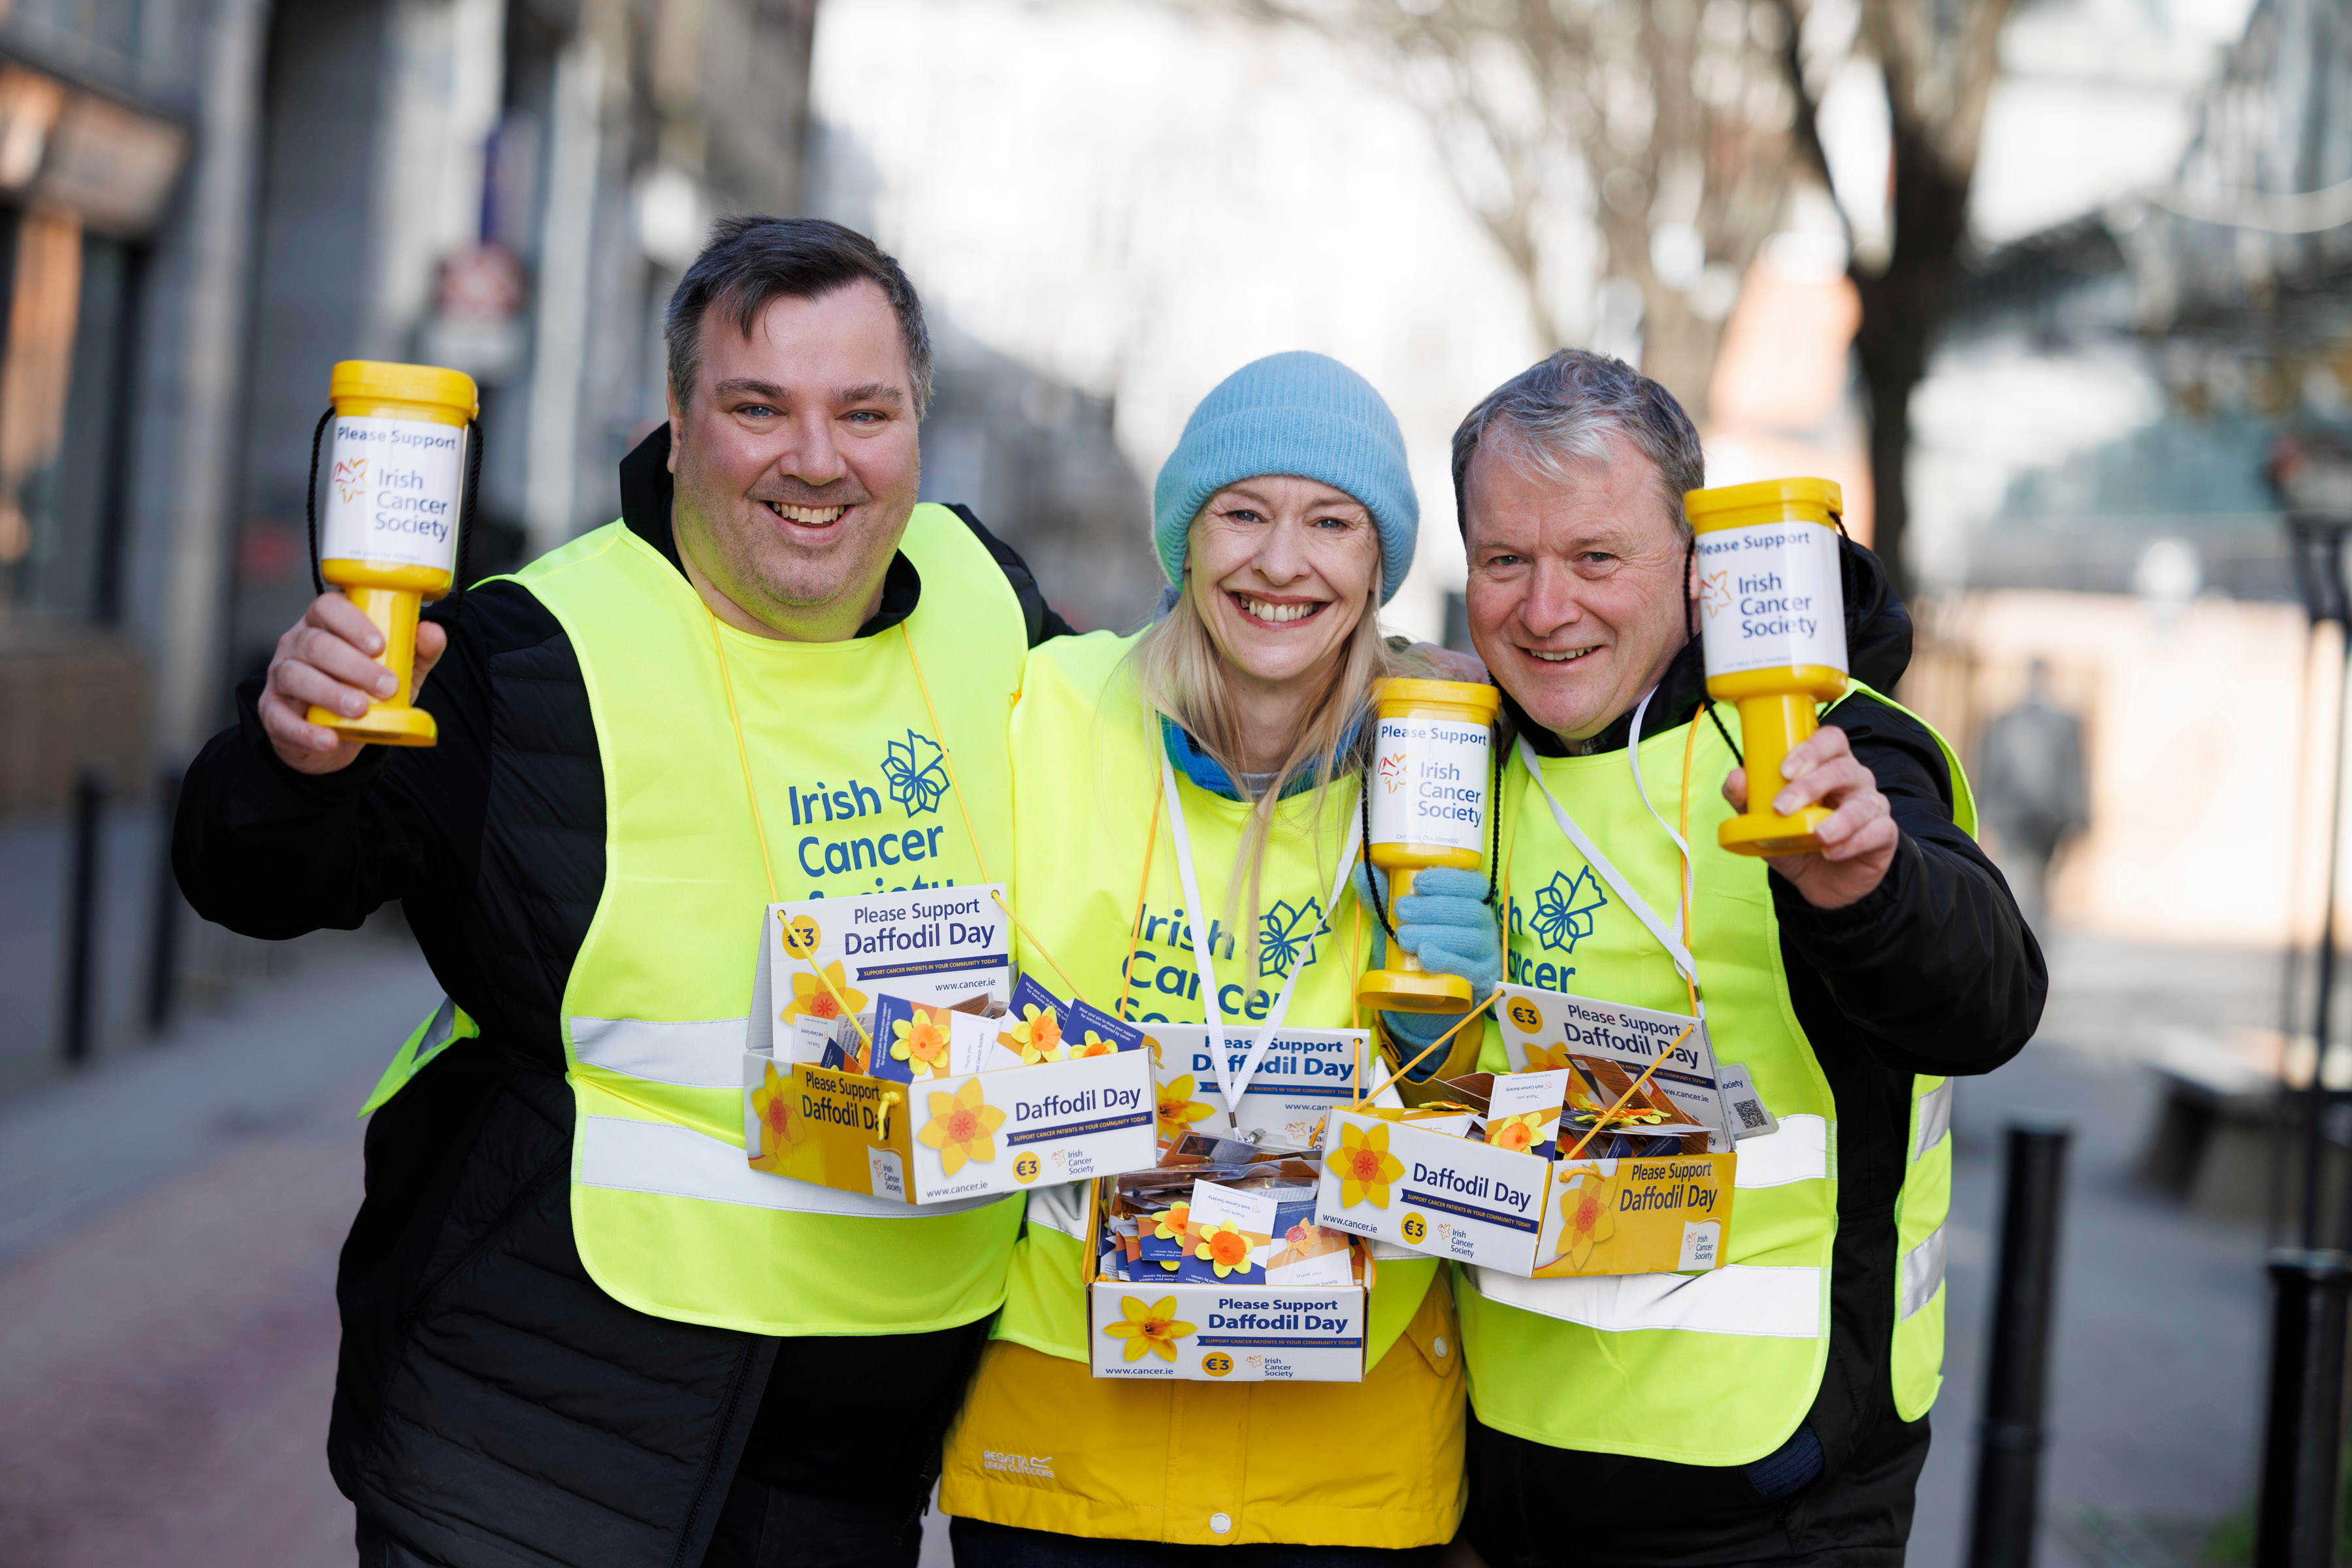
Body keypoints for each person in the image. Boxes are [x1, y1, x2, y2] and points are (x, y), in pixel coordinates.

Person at [172, 217, 1072, 1568]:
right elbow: (260, 875)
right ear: (678, 419)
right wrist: (295, 761)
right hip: (539, 1447)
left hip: (858, 1472)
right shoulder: (526, 648)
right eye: (759, 408)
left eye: (865, 411)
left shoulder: (985, 595)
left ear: (917, 422)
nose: (818, 461)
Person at [1429, 350, 2046, 1565]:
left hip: (1779, 1499)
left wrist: (1867, 889)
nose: (1547, 611)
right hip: (1508, 1480)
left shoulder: (1827, 743)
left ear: (1698, 570)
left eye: (1597, 559)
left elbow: (1992, 1004)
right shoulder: (1450, 758)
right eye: (1508, 561)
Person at [936, 352, 1492, 1561]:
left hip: (1346, 1465)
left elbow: (1504, 1139)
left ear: (1379, 561)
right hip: (1064, 1446)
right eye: (1242, 513)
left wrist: (1455, 1041)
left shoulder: (1451, 764)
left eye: (1331, 523)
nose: (1281, 564)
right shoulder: (1051, 709)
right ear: (1184, 539)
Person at [1976, 657, 2087, 934]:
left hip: (2045, 819)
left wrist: (2079, 817)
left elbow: (2074, 770)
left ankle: (2029, 943)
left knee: (2036, 883)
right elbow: (1991, 766)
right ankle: (2026, 942)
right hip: (2019, 818)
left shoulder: (2060, 723)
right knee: (2022, 882)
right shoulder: (2007, 721)